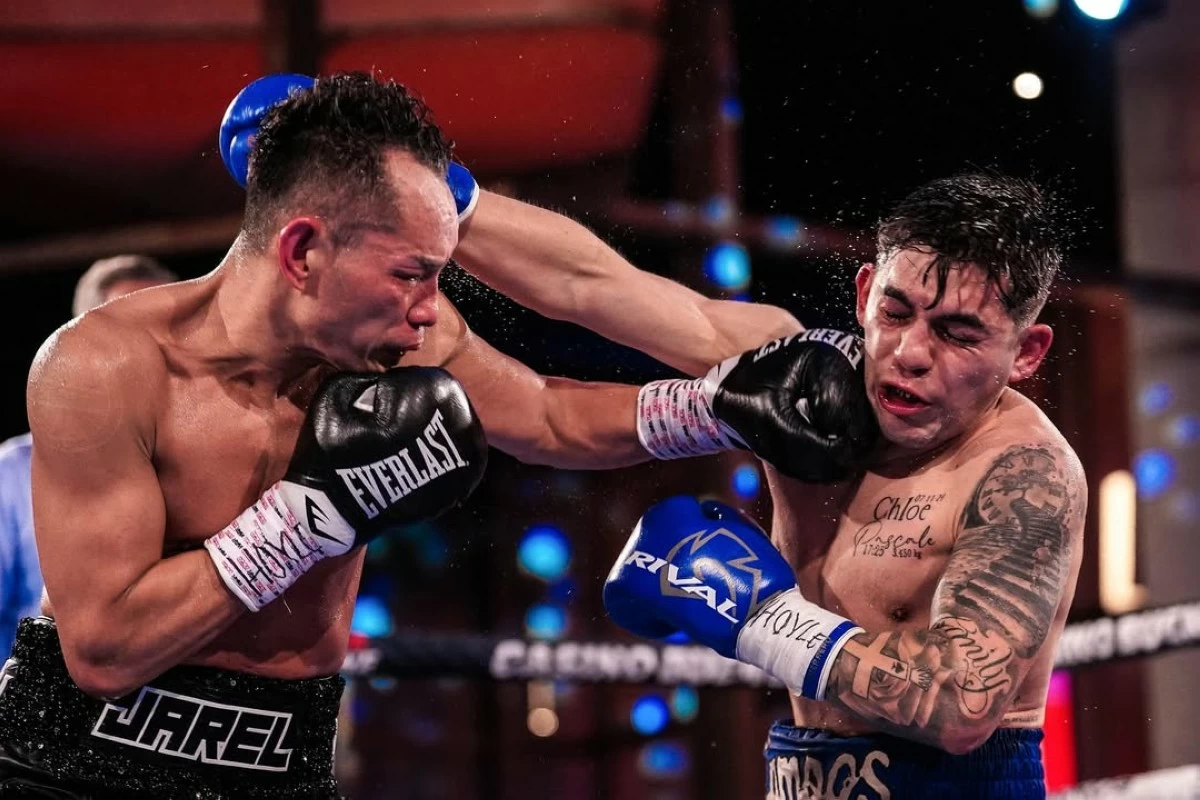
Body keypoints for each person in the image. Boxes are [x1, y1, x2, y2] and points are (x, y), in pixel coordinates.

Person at [0, 73, 871, 799]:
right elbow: (105, 652)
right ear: (302, 252)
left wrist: (711, 407)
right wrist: (311, 514)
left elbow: (548, 417)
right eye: (411, 274)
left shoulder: (387, 340)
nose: (430, 312)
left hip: (282, 763)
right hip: (73, 766)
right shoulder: (106, 366)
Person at [603, 172, 1086, 799]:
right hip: (800, 774)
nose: (911, 353)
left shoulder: (1025, 474)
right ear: (864, 294)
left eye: (959, 334)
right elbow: (590, 283)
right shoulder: (798, 385)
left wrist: (763, 620)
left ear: (1027, 352)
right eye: (896, 311)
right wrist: (451, 193)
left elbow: (963, 705)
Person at [0, 255, 178, 661]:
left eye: (164, 331)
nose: (150, 349)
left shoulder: (205, 464)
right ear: (81, 343)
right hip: (41, 709)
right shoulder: (13, 472)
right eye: (130, 330)